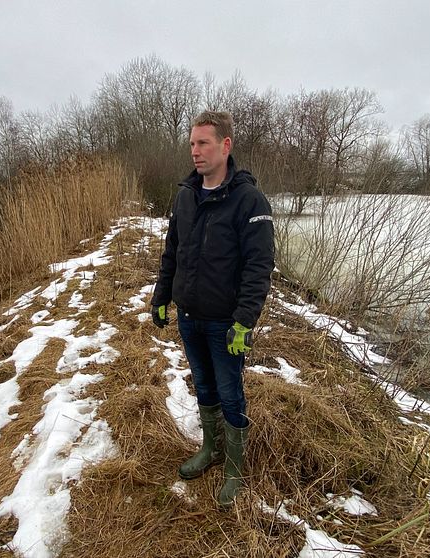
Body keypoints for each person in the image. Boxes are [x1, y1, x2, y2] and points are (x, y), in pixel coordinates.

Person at [151, 110, 274, 506]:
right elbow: (173, 251)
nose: (195, 151)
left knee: (230, 393)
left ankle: (235, 468)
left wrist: (244, 321)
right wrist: (161, 296)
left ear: (226, 145)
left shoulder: (249, 200)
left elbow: (259, 266)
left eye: (203, 143)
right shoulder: (186, 196)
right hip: (189, 316)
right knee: (203, 387)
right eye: (191, 143)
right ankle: (212, 449)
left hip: (226, 323)